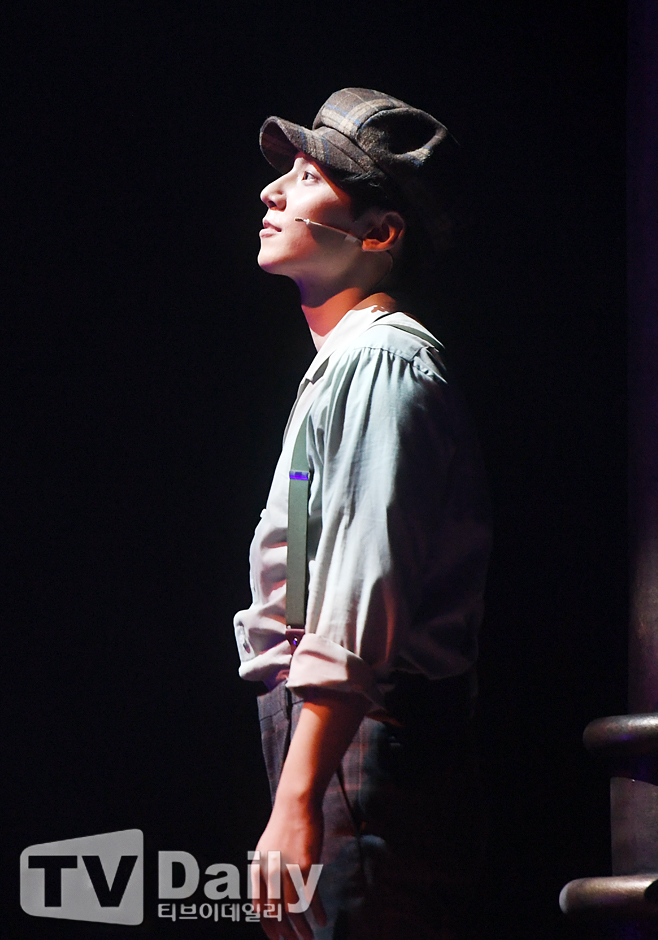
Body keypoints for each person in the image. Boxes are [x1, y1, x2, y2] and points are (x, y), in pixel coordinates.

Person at [233, 87, 491, 940]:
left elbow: (357, 589)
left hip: (366, 746)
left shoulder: (383, 362)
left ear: (379, 233)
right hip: (334, 742)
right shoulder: (344, 366)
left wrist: (299, 797)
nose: (273, 191)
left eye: (309, 179)